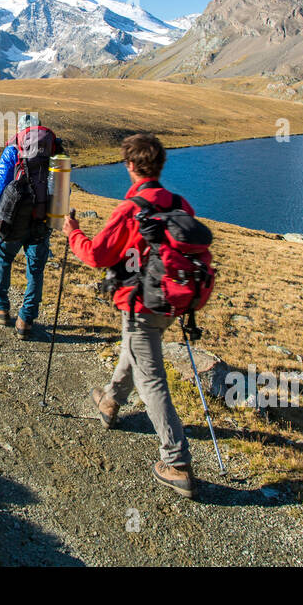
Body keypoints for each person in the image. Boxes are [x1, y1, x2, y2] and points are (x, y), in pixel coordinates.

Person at [62, 132, 197, 497]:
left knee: (150, 379)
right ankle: (109, 400)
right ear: (159, 165)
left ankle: (176, 460)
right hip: (171, 303)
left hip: (141, 303)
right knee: (135, 350)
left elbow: (96, 256)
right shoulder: (179, 203)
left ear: (131, 166)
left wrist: (73, 233)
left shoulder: (131, 208)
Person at [0, 113, 63, 337]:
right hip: (42, 218)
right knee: (35, 269)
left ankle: (0, 306)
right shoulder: (53, 151)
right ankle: (25, 320)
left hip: (13, 218)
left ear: (20, 130)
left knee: (4, 258)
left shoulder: (13, 150)